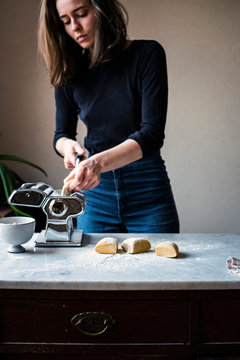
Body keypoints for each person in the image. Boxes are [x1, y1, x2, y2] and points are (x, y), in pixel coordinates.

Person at [38, 0, 180, 233]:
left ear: (101, 9)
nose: (75, 27)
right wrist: (68, 147)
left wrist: (96, 163)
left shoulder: (147, 54)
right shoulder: (68, 71)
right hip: (95, 196)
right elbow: (61, 135)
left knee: (163, 268)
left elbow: (152, 134)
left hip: (147, 188)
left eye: (81, 14)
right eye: (65, 22)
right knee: (93, 269)